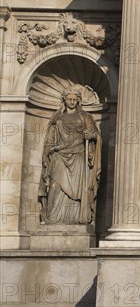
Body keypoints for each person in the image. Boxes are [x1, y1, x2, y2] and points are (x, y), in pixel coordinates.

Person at [39, 88, 101, 224]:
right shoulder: (57, 116)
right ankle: (53, 218)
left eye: (74, 99)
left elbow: (96, 135)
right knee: (55, 186)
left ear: (78, 100)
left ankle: (75, 219)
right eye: (69, 99)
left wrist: (91, 136)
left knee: (78, 189)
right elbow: (50, 137)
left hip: (79, 154)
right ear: (64, 100)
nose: (72, 102)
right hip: (59, 154)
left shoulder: (85, 116)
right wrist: (46, 152)